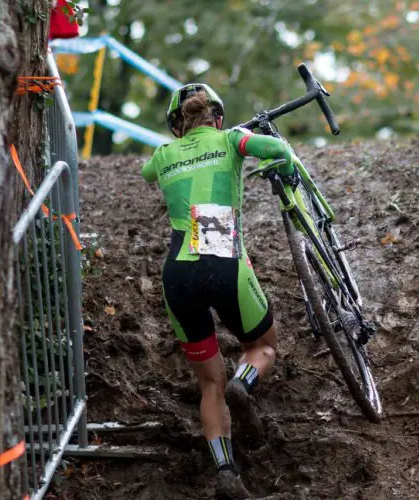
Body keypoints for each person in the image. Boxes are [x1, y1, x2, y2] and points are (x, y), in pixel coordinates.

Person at [141, 83, 295, 498]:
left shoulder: (162, 155)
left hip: (178, 273)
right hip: (224, 260)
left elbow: (145, 173)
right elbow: (277, 150)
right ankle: (244, 382)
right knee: (264, 346)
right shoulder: (231, 139)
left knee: (209, 383)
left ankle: (226, 471)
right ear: (219, 117)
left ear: (177, 126)